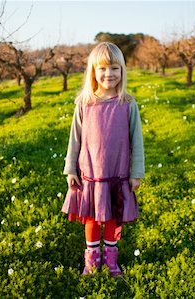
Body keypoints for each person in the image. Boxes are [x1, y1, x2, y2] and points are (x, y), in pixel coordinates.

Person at [62, 42, 145, 276]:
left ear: (122, 71)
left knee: (112, 218)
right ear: (93, 72)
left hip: (117, 174)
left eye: (115, 68)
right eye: (103, 68)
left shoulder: (127, 104)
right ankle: (91, 260)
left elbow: (136, 140)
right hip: (90, 175)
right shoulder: (85, 103)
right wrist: (71, 170)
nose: (109, 74)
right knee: (90, 218)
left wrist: (136, 172)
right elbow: (74, 139)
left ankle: (110, 260)